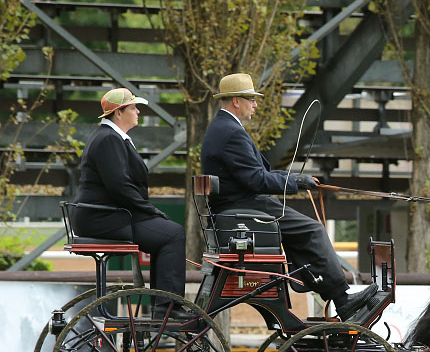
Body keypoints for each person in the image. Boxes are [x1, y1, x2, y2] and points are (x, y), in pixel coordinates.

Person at [200, 73, 376, 320]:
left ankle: (318, 282)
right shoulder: (231, 132)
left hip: (241, 205)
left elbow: (258, 173)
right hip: (245, 207)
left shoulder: (222, 128)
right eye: (251, 99)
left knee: (301, 231)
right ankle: (341, 298)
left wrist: (294, 178)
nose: (256, 105)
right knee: (312, 230)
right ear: (236, 101)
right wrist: (293, 182)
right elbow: (256, 180)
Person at [73, 87, 189, 320]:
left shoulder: (113, 138)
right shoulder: (108, 139)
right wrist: (150, 211)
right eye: (134, 107)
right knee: (173, 234)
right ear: (118, 113)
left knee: (168, 233)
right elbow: (120, 186)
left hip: (110, 215)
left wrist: (149, 213)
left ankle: (163, 304)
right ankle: (167, 308)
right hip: (103, 218)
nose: (138, 111)